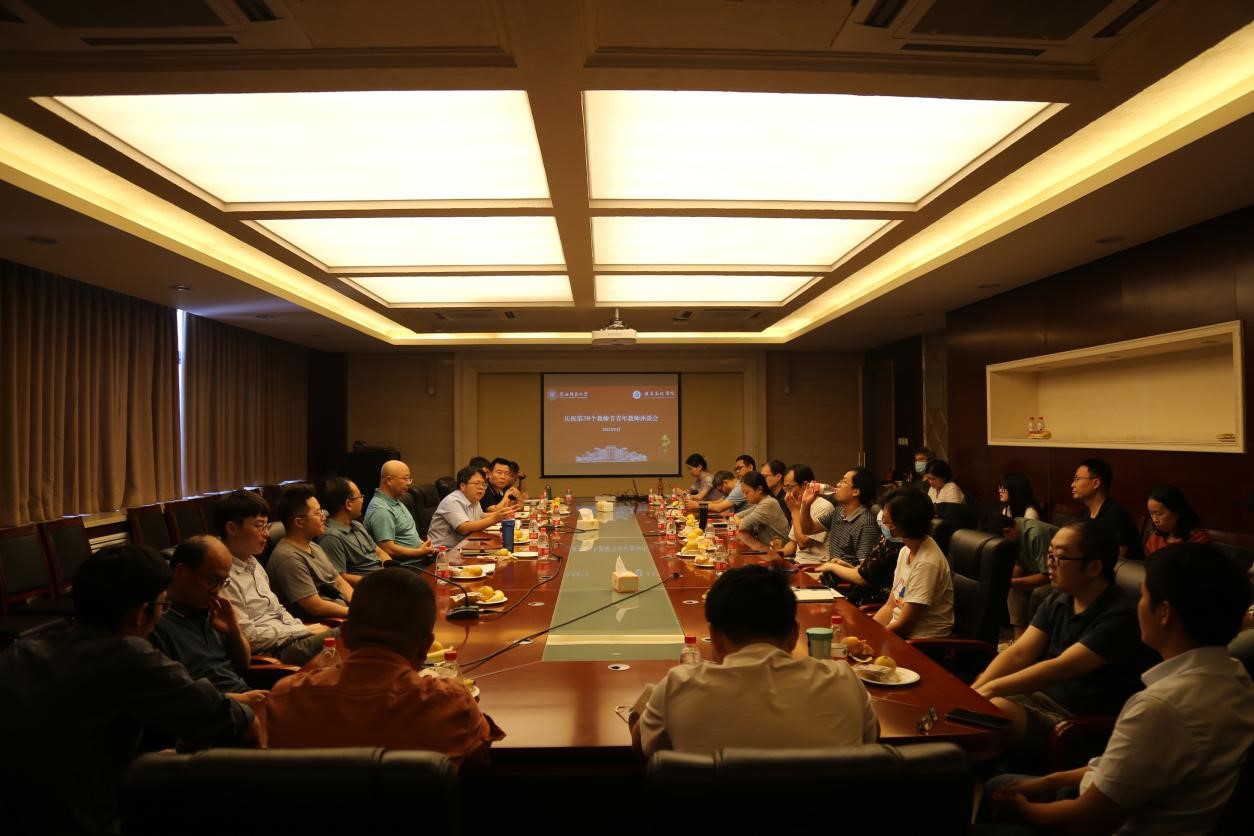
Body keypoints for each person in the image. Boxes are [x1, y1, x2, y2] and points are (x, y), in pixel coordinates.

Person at [984, 543, 1254, 835]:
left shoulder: (1161, 707)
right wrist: (1049, 781)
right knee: (1003, 782)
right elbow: (1120, 769)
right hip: (1124, 798)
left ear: (1164, 613)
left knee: (995, 790)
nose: (1138, 606)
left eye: (1143, 596)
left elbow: (1085, 820)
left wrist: (1020, 808)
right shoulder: (1236, 677)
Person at [0, 544, 257, 836]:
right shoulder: (130, 656)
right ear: (140, 613)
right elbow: (241, 723)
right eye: (162, 606)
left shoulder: (19, 652)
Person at [265, 567, 504, 765]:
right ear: (426, 647)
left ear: (344, 635)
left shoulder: (286, 699)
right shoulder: (452, 704)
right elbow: (482, 763)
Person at [629, 564, 877, 755]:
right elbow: (871, 737)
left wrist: (654, 696)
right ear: (794, 635)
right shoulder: (844, 681)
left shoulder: (680, 686)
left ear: (714, 637)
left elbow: (641, 745)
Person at [971, 521, 1156, 756]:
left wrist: (990, 689)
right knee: (972, 706)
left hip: (1075, 722)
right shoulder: (1059, 598)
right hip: (1038, 699)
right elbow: (1020, 653)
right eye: (1049, 554)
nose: (1050, 563)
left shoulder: (1121, 616)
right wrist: (976, 689)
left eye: (1060, 557)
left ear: (1094, 567)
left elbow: (1061, 668)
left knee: (990, 712)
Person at [215, 490, 333, 666]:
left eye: (267, 526)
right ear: (232, 528)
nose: (266, 534)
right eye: (259, 526)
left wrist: (301, 628)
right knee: (353, 632)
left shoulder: (253, 561)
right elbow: (248, 637)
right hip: (274, 652)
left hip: (290, 636)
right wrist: (301, 631)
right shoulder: (222, 576)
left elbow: (277, 610)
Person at [151, 535, 270, 700]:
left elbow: (243, 663)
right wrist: (237, 700)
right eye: (213, 580)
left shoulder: (212, 610)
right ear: (181, 572)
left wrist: (233, 631)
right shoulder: (156, 621)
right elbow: (174, 697)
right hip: (210, 707)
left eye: (223, 582)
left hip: (243, 696)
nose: (217, 590)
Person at [873, 488, 954, 639]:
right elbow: (891, 605)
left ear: (905, 525)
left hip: (921, 643)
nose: (883, 524)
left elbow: (905, 625)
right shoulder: (906, 551)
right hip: (898, 634)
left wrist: (873, 637)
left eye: (887, 521)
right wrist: (867, 631)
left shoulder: (927, 563)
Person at [267, 484, 354, 621]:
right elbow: (316, 607)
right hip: (324, 622)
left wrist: (359, 605)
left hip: (346, 612)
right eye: (318, 513)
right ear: (299, 522)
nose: (324, 517)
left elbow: (340, 582)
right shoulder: (288, 558)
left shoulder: (313, 546)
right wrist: (356, 613)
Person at [819, 487, 908, 608]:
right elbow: (869, 571)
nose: (882, 522)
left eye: (887, 521)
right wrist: (846, 566)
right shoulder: (887, 540)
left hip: (874, 600)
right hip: (860, 594)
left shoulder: (901, 548)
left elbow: (863, 578)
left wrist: (832, 567)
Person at [795, 466, 879, 565]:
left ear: (855, 492)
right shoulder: (838, 512)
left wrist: (833, 568)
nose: (837, 484)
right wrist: (805, 504)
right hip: (831, 571)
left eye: (844, 482)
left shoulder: (866, 523)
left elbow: (865, 569)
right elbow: (808, 529)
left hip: (844, 574)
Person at [318, 477, 391, 586]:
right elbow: (340, 578)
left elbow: (379, 552)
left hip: (384, 579)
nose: (362, 500)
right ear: (348, 504)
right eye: (360, 497)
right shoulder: (331, 537)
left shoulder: (357, 525)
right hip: (369, 587)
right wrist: (379, 581)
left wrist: (390, 570)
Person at [426, 464, 516, 549]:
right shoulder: (452, 501)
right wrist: (495, 518)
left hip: (464, 546)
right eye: (477, 483)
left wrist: (502, 513)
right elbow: (463, 528)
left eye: (483, 484)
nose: (481, 487)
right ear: (463, 486)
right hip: (442, 552)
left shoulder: (473, 499)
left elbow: (480, 516)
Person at [363, 459, 436, 562]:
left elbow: (408, 532)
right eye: (405, 479)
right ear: (389, 480)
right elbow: (388, 549)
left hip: (420, 559)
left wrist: (424, 546)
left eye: (409, 479)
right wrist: (420, 552)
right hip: (408, 566)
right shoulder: (381, 509)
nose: (408, 483)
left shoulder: (396, 500)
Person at [1071, 458, 1143, 560]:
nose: (1072, 485)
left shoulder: (1116, 515)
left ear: (1096, 483)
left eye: (1077, 479)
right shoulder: (1083, 515)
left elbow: (1118, 560)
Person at [1002, 517, 1059, 640]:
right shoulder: (1015, 532)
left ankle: (1033, 639)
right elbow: (1020, 563)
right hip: (1039, 572)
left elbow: (1048, 575)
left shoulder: (1036, 535)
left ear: (1007, 531)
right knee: (1013, 588)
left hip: (1059, 576)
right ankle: (1019, 638)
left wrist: (1012, 582)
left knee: (1038, 592)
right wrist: (1008, 579)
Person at [780, 464, 831, 564]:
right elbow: (794, 542)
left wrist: (794, 512)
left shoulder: (824, 507)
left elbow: (802, 543)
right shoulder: (799, 506)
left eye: (789, 488)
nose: (787, 494)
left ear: (805, 485)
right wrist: (780, 553)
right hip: (799, 562)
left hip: (816, 564)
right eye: (785, 489)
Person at [1144, 484, 1209, 556]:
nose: (1154, 520)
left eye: (1159, 514)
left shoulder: (1197, 540)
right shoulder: (1155, 539)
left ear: (1177, 512)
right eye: (1151, 514)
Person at [732, 470, 791, 547]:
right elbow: (735, 516)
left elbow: (742, 525)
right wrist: (738, 521)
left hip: (780, 551)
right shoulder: (761, 503)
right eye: (743, 493)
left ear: (759, 489)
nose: (745, 496)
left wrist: (738, 521)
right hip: (769, 548)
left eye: (747, 492)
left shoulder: (768, 503)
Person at [687, 455, 755, 515]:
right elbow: (718, 502)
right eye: (736, 469)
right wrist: (698, 503)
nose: (737, 471)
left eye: (740, 468)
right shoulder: (739, 485)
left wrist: (697, 505)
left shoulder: (740, 487)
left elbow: (719, 507)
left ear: (750, 467)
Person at [760, 458, 791, 525]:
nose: (761, 480)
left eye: (764, 477)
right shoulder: (768, 496)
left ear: (778, 477)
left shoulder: (787, 498)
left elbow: (784, 525)